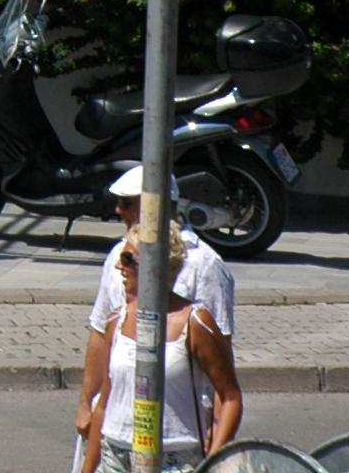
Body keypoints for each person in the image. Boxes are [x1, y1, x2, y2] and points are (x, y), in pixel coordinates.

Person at [75, 217, 243, 472]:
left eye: (129, 259)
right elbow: (105, 403)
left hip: (174, 458)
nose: (120, 266)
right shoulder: (117, 320)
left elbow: (230, 397)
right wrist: (88, 467)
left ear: (156, 267)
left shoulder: (195, 322)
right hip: (115, 454)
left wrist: (212, 461)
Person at [80, 165, 234, 443]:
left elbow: (222, 357)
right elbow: (100, 334)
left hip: (179, 429)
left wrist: (217, 434)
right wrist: (85, 403)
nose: (118, 211)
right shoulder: (119, 253)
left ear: (154, 206)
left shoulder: (205, 264)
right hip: (116, 426)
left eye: (126, 203)